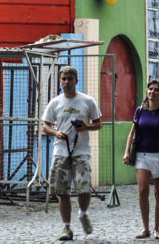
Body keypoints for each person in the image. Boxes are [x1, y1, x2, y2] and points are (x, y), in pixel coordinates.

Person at [41, 66, 102, 241]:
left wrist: (86, 126)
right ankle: (66, 228)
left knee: (84, 188)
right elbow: (45, 126)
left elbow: (98, 123)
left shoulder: (87, 101)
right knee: (62, 191)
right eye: (63, 79)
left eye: (69, 79)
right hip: (61, 151)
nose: (66, 82)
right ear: (60, 81)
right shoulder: (55, 103)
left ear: (76, 80)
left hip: (81, 151)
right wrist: (56, 132)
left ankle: (83, 213)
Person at [123, 79, 159, 240]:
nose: (152, 92)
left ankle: (156, 229)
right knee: (142, 190)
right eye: (150, 89)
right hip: (142, 155)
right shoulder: (140, 111)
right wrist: (126, 152)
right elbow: (131, 133)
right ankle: (145, 228)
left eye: (156, 90)